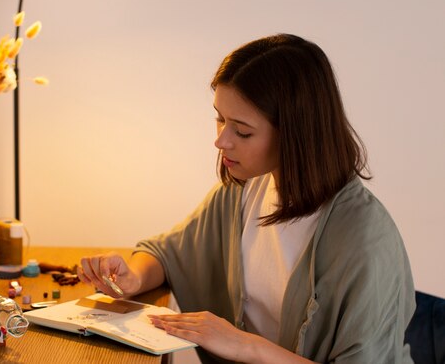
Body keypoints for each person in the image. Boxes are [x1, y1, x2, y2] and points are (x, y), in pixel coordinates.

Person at [77, 33, 415, 364]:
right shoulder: (245, 191)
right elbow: (169, 253)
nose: (221, 140)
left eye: (242, 131)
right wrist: (133, 278)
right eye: (220, 119)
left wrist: (247, 346)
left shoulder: (365, 241)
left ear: (295, 134)